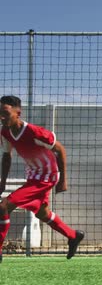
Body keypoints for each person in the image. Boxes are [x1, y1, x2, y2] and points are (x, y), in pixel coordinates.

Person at [0, 95, 84, 263]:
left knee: (3, 207)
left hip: (46, 177)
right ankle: (73, 236)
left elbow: (60, 150)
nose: (2, 117)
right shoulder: (5, 132)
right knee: (42, 213)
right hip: (33, 175)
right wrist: (2, 183)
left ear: (18, 113)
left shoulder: (35, 132)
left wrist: (62, 180)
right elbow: (7, 157)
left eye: (5, 113)